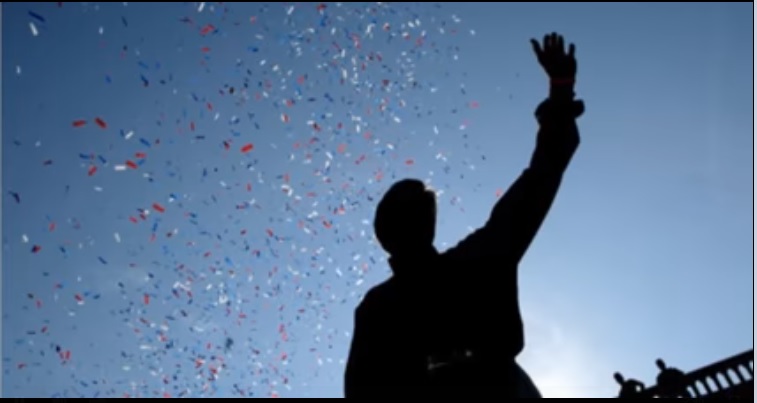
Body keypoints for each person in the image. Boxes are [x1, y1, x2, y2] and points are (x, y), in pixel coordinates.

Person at [344, 32, 585, 399]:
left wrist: (561, 91)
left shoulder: (477, 259)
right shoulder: (381, 306)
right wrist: (561, 90)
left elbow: (541, 178)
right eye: (406, 212)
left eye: (414, 211)